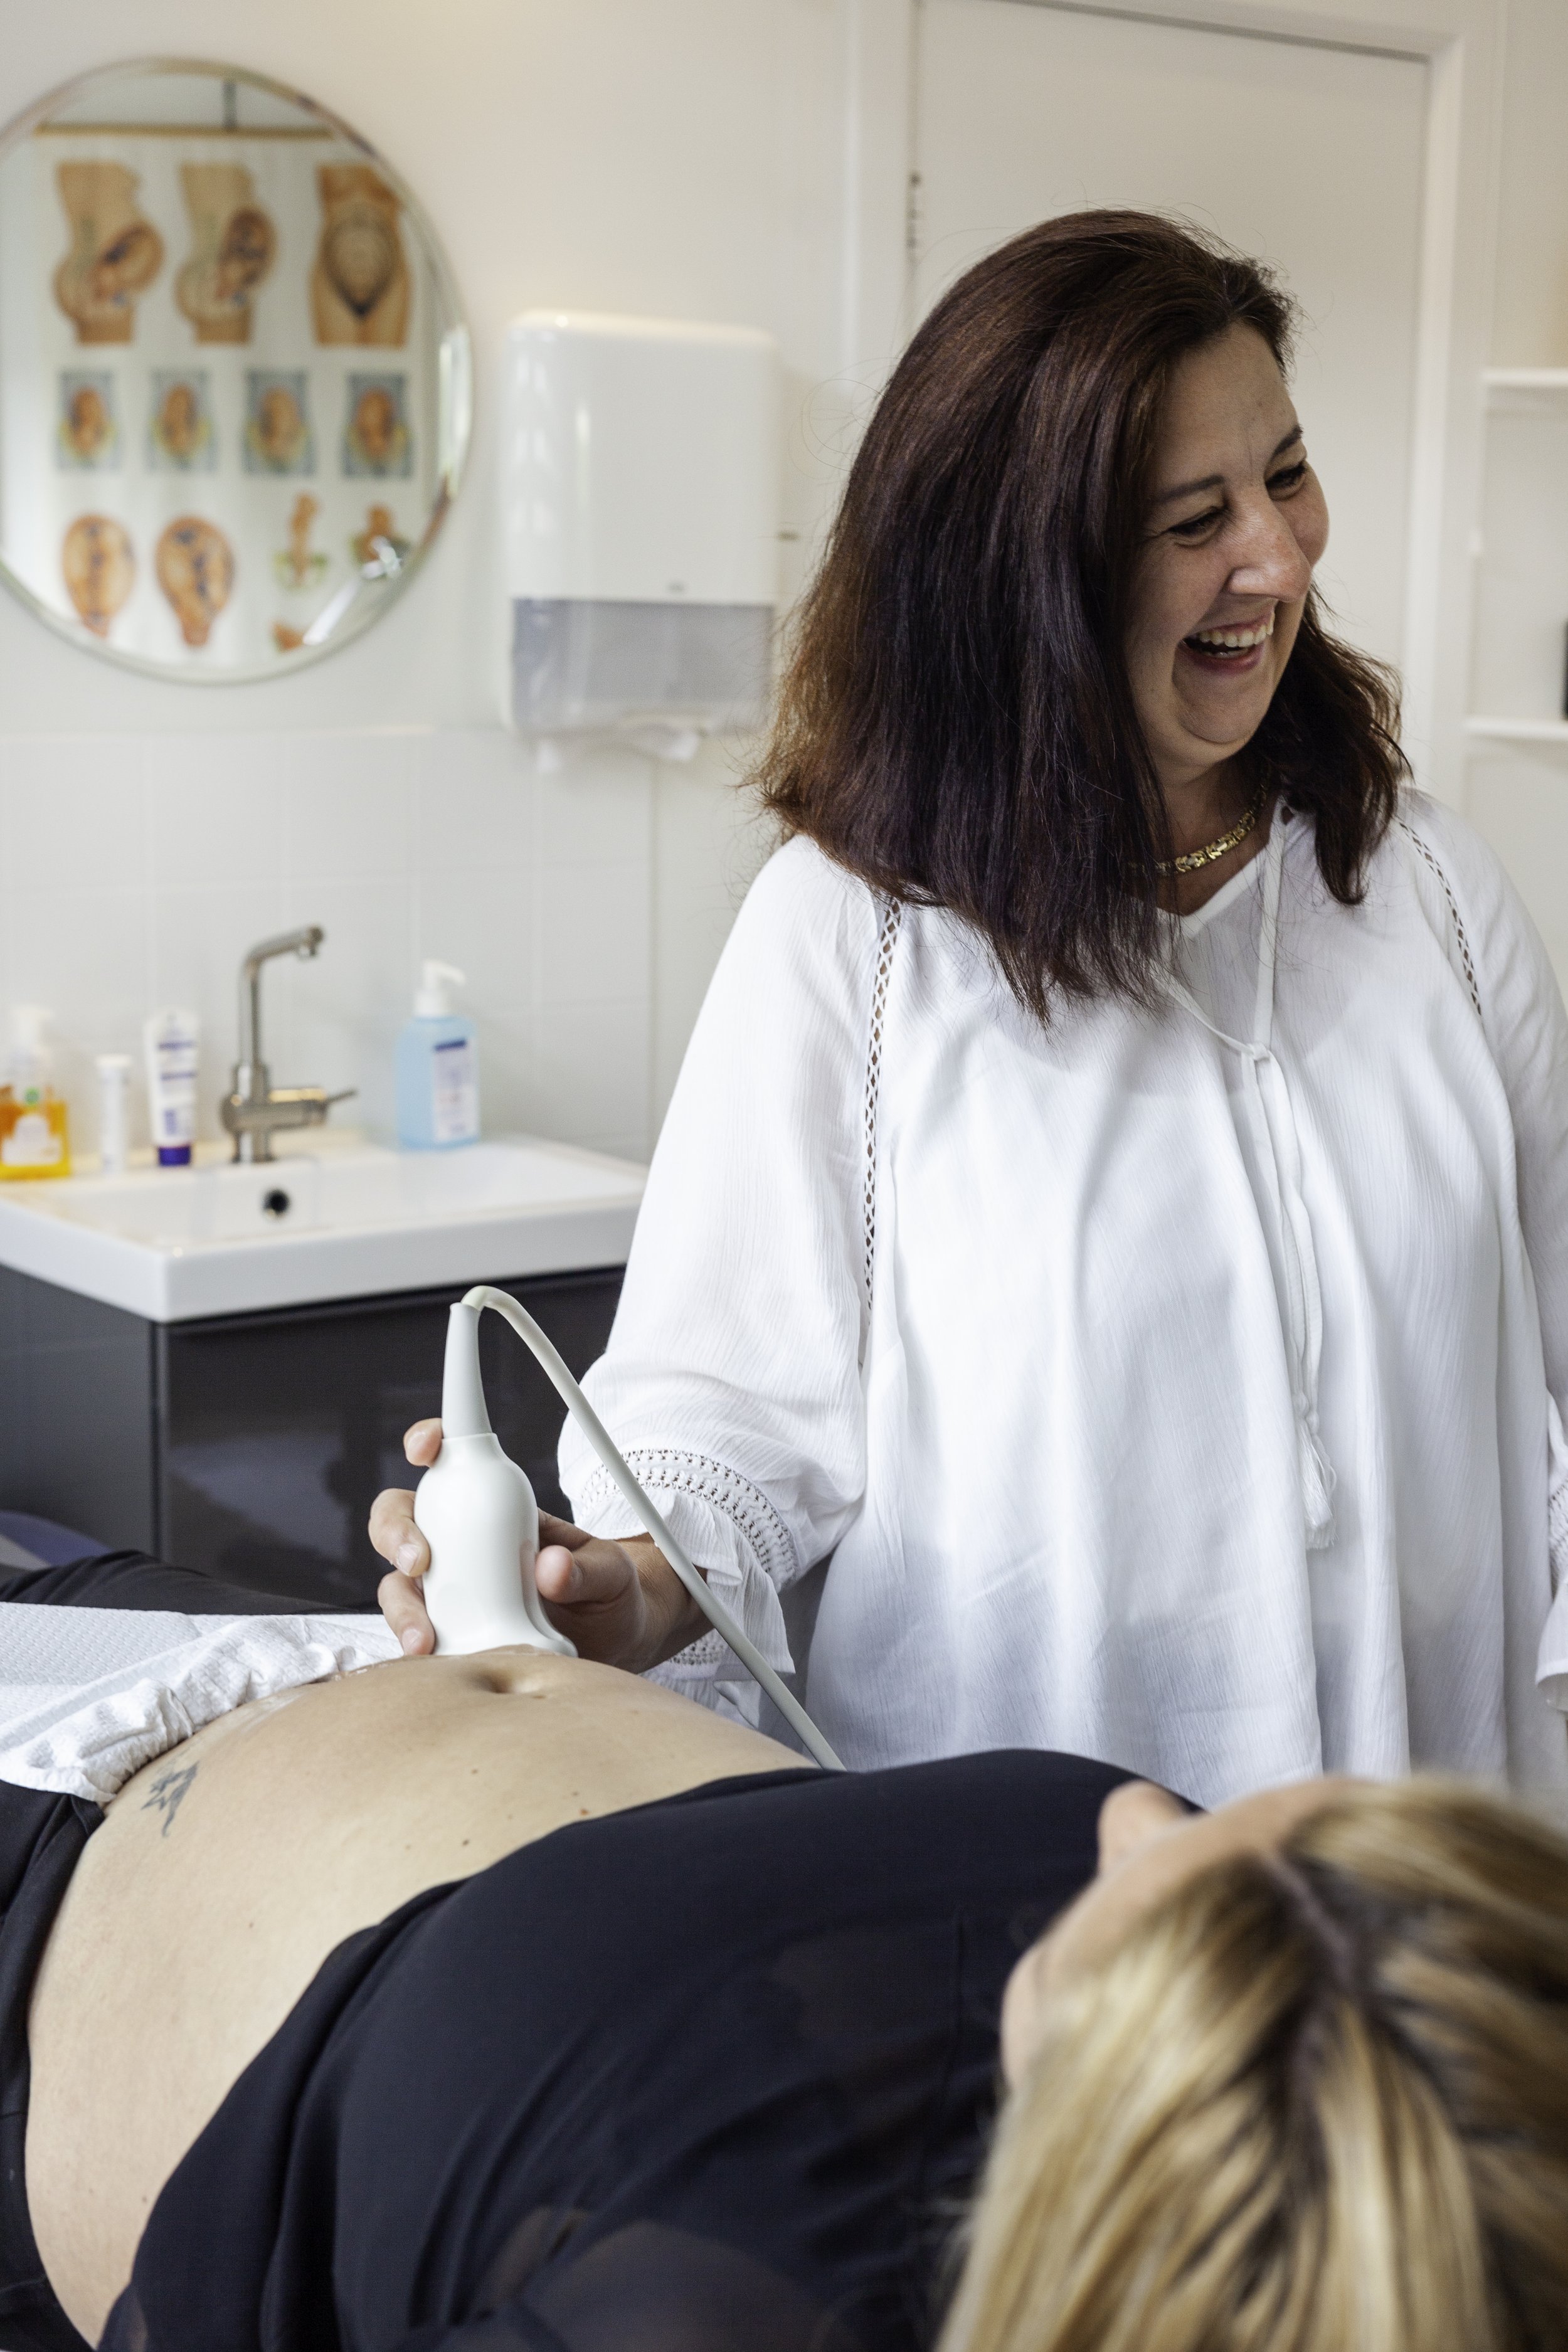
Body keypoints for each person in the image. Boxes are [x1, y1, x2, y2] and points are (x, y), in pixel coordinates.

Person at [373, 209, 1568, 1813]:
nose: (1276, 561)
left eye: (1283, 475)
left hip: (1427, 1885)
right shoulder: (856, 939)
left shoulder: (1420, 888)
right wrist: (622, 1585)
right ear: (1023, 579)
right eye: (1190, 517)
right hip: (1041, 1912)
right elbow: (720, 1417)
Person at [4, 1554, 1567, 2352]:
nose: (1136, 1814)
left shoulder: (702, 2306)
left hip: (54, 1881)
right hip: (259, 1654)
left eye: (1169, 1888)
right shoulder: (1335, 2024)